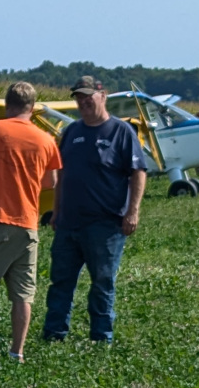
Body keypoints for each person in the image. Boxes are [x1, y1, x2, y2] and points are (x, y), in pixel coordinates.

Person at [42, 76, 148, 343]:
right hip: (69, 223)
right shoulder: (72, 132)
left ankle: (101, 337)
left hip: (105, 225)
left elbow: (138, 172)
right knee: (60, 281)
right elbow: (62, 175)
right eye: (78, 97)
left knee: (102, 282)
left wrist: (133, 211)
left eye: (88, 96)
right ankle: (54, 333)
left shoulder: (121, 131)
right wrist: (56, 210)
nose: (83, 102)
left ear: (103, 96)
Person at [0, 82, 61, 361]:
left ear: (7, 104)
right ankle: (17, 351)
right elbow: (51, 181)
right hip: (28, 225)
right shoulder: (46, 140)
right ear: (32, 106)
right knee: (23, 294)